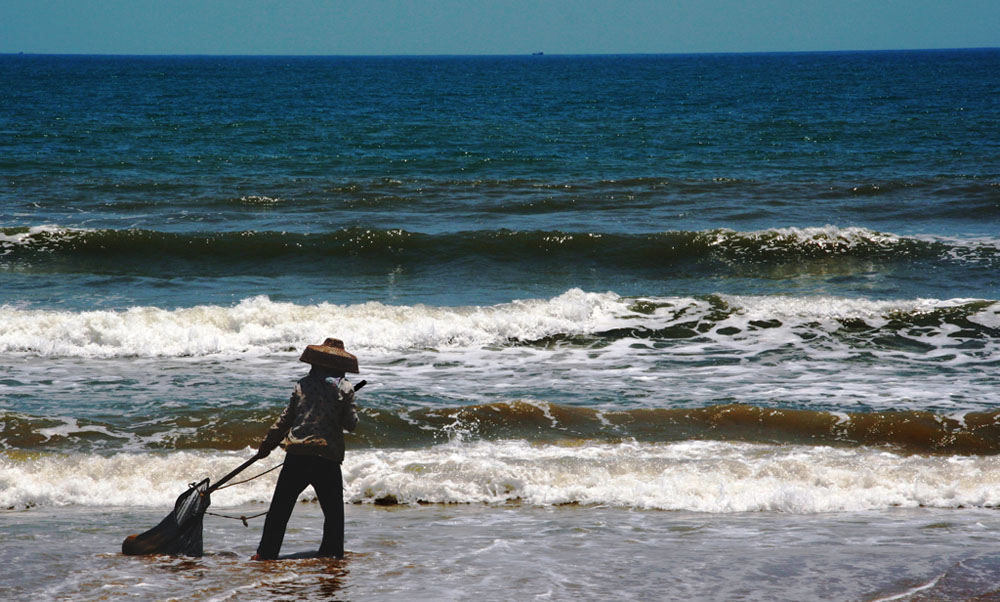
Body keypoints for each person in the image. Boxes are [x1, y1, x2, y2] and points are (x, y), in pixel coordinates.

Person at [250, 337, 360, 560]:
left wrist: (267, 446)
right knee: (333, 515)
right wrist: (345, 404)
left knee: (279, 510)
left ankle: (265, 554)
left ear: (316, 364)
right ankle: (332, 554)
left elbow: (285, 420)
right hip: (326, 458)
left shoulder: (302, 384)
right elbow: (351, 424)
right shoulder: (345, 388)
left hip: (298, 455)